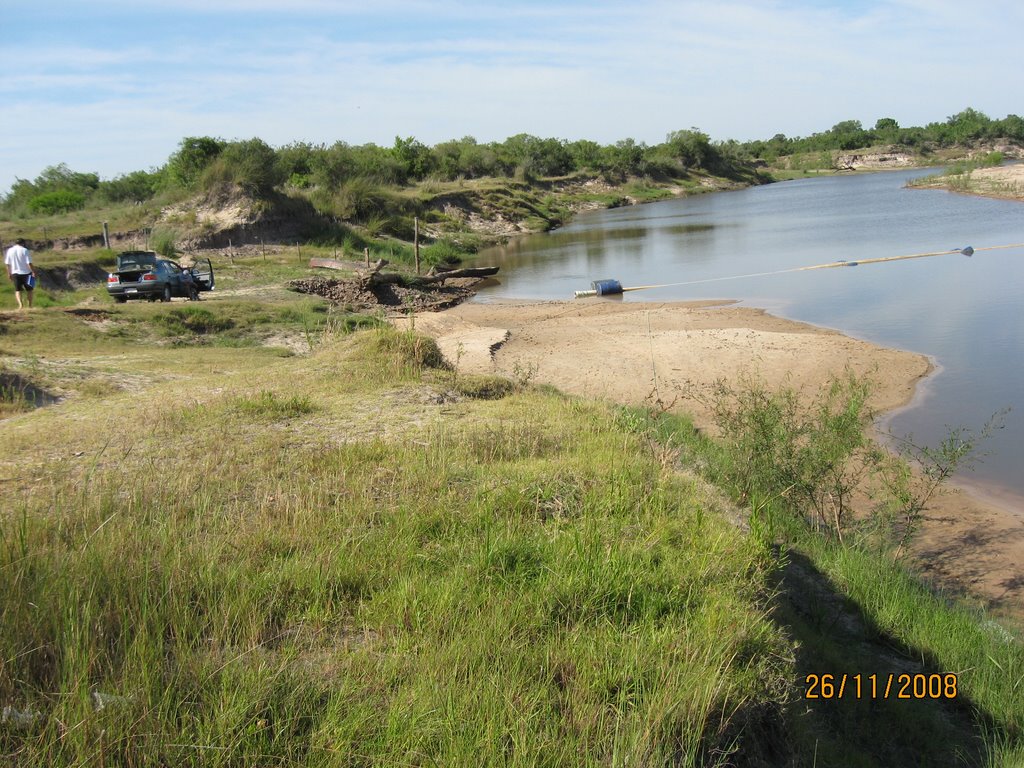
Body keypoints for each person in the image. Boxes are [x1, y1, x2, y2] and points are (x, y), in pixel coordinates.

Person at [5, 238, 36, 309]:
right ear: (23, 243)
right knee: (30, 290)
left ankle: (20, 305)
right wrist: (33, 271)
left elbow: (7, 264)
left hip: (15, 273)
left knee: (18, 290)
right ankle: (30, 306)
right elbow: (29, 263)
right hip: (27, 272)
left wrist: (9, 273)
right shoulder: (25, 250)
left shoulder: (10, 250)